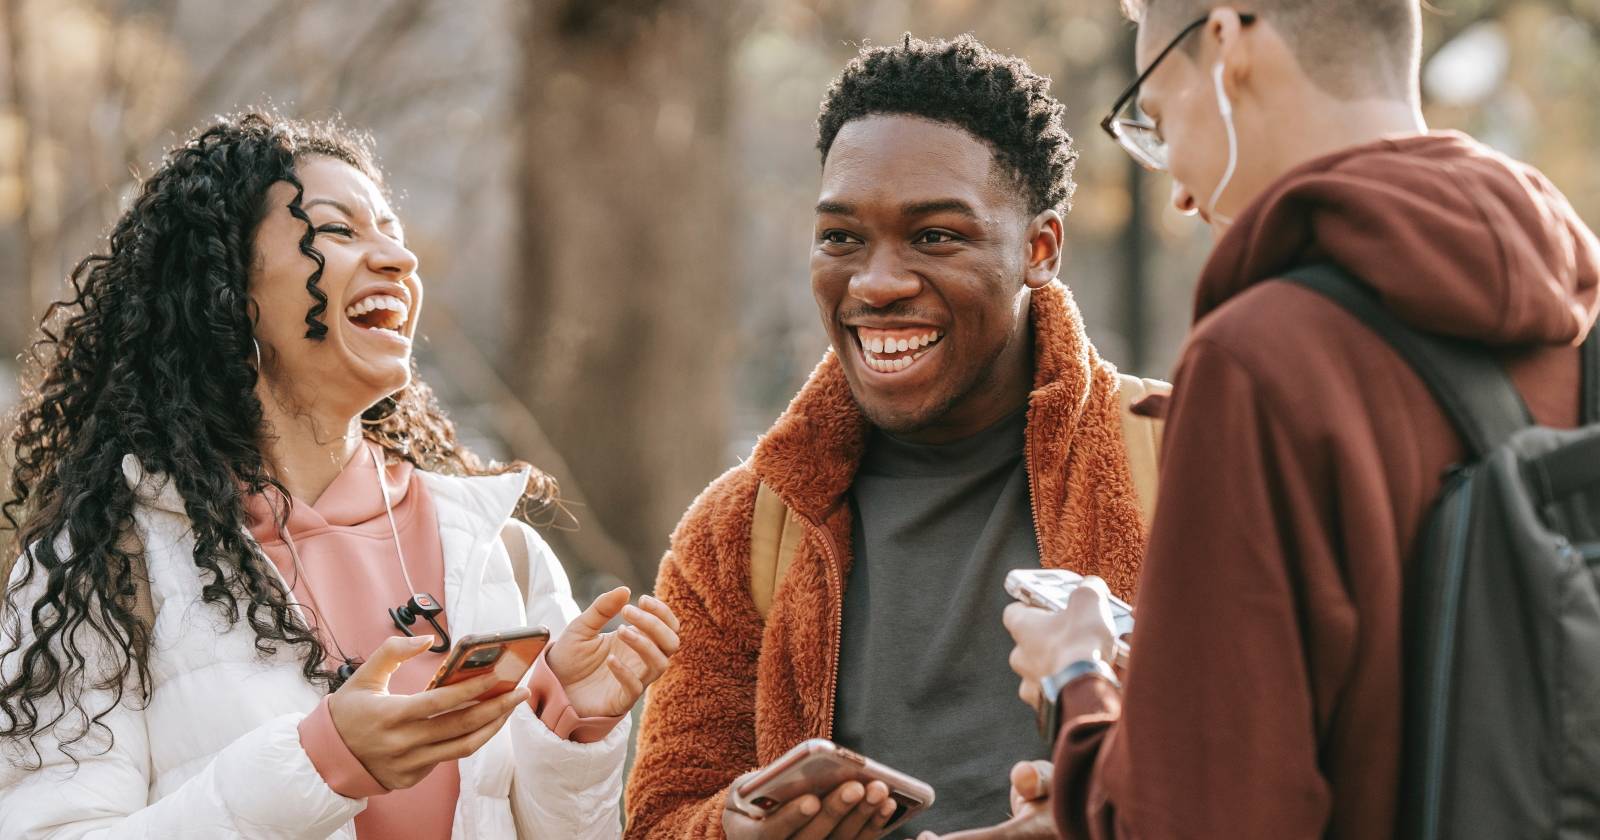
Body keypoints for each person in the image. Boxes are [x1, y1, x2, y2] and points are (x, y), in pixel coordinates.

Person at [958, 2, 1599, 839]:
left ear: (1227, 43)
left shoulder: (1259, 362)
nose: (1179, 190)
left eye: (1155, 115)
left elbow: (1204, 819)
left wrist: (1077, 680)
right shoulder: (1578, 323)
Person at [0, 112, 680, 839]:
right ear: (229, 289)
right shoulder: (107, 564)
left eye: (392, 232)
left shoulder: (498, 553)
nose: (398, 259)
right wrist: (321, 764)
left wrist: (571, 723)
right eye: (339, 231)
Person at [626, 36, 1159, 839]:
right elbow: (663, 816)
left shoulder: (1188, 462)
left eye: (935, 236)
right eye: (842, 238)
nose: (876, 283)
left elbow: (1309, 773)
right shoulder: (738, 535)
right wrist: (735, 831)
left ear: (1040, 249)